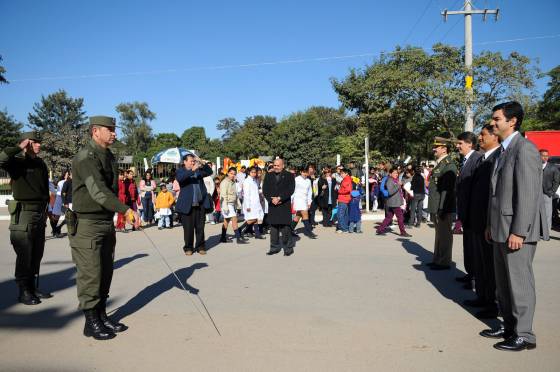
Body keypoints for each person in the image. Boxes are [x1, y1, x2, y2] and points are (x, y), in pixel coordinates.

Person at [480, 101, 546, 351]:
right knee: (504, 284)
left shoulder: (524, 149)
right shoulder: (502, 151)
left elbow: (528, 194)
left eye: (497, 119)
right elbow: (496, 193)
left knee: (519, 283)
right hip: (499, 228)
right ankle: (510, 327)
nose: (493, 122)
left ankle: (525, 334)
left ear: (512, 121)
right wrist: (490, 224)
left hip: (516, 231)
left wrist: (519, 230)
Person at [70, 116, 140, 340]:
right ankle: (91, 322)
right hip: (88, 224)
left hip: (105, 222)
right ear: (95, 131)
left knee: (105, 272)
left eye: (114, 129)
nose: (114, 133)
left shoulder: (107, 155)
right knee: (91, 273)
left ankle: (101, 315)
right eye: (109, 129)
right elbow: (98, 191)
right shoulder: (85, 157)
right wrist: (125, 210)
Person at [1, 131, 52, 305]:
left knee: (37, 252)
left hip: (39, 212)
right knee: (25, 252)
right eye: (35, 142)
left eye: (39, 142)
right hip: (24, 213)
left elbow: (44, 189)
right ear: (27, 143)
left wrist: (47, 209)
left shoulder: (40, 163)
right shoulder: (17, 162)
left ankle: (32, 286)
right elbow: (1, 159)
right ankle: (23, 290)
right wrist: (18, 147)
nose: (39, 145)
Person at [464, 124, 501, 319]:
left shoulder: (497, 158)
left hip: (487, 222)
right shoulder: (483, 158)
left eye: (483, 134)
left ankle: (493, 304)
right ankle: (483, 297)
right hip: (476, 220)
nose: (480, 137)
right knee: (481, 264)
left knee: (489, 266)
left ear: (495, 137)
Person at [455, 131, 483, 286]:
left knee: (474, 247)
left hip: (473, 212)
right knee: (468, 245)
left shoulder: (477, 159)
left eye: (460, 143)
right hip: (465, 212)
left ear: (470, 143)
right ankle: (470, 273)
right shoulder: (466, 160)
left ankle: (475, 277)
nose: (457, 146)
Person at [427, 138, 457, 270]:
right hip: (437, 206)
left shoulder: (448, 165)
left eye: (437, 147)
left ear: (444, 149)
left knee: (444, 235)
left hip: (443, 207)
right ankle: (438, 259)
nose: (434, 149)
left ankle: (444, 261)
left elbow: (447, 191)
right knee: (439, 234)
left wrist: (442, 208)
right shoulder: (440, 164)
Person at [176, 154, 213, 255]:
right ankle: (188, 247)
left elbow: (209, 172)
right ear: (185, 162)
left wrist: (201, 162)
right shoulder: (180, 171)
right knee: (188, 228)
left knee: (200, 227)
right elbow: (181, 179)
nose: (193, 162)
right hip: (187, 205)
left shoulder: (198, 171)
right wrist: (192, 171)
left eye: (193, 161)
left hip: (200, 204)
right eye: (191, 161)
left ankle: (200, 246)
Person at [262, 158, 296, 256]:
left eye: (278, 165)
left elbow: (291, 189)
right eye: (274, 165)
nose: (275, 167)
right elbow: (265, 190)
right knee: (273, 228)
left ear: (283, 165)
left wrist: (280, 198)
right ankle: (274, 247)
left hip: (284, 204)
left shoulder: (289, 175)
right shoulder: (268, 175)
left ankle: (288, 248)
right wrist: (271, 199)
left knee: (285, 228)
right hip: (272, 205)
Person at [375, 168, 411, 237]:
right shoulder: (390, 180)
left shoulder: (395, 180)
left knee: (389, 217)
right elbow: (390, 192)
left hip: (394, 202)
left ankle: (380, 229)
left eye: (397, 173)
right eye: (394, 173)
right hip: (394, 202)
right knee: (400, 217)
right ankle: (403, 232)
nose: (396, 174)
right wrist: (398, 185)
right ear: (390, 174)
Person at [219, 167, 247, 244]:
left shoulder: (233, 182)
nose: (232, 175)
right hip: (226, 203)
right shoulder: (224, 182)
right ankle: (238, 238)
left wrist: (238, 204)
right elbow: (223, 195)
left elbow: (236, 195)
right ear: (227, 173)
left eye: (234, 174)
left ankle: (222, 237)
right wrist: (225, 207)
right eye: (231, 173)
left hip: (231, 203)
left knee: (226, 221)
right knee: (234, 219)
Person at [291, 167, 317, 239]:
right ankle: (309, 232)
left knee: (298, 216)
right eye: (304, 172)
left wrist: (309, 202)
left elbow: (310, 192)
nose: (305, 174)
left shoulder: (308, 181)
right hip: (298, 199)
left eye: (306, 172)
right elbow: (292, 190)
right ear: (301, 172)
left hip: (305, 200)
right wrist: (291, 201)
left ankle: (290, 230)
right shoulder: (296, 179)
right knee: (305, 215)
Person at [540, 149, 560, 237]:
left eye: (546, 155)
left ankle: (546, 233)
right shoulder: (534, 166)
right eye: (543, 155)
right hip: (535, 194)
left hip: (546, 194)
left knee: (547, 214)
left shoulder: (553, 167)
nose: (545, 157)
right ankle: (537, 231)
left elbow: (556, 181)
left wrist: (551, 192)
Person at [242, 166, 266, 239]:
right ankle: (240, 229)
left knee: (256, 218)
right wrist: (248, 206)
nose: (254, 174)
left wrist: (263, 192)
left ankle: (257, 234)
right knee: (252, 219)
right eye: (252, 172)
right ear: (249, 172)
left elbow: (256, 191)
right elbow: (246, 194)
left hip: (256, 203)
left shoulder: (254, 180)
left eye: (255, 172)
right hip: (250, 203)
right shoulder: (246, 181)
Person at [336, 168, 352, 233]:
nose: (341, 174)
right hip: (345, 198)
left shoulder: (346, 179)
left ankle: (344, 228)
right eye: (341, 173)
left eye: (342, 173)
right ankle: (344, 228)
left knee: (340, 214)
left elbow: (348, 189)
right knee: (345, 214)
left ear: (346, 173)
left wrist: (339, 191)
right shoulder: (346, 179)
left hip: (343, 199)